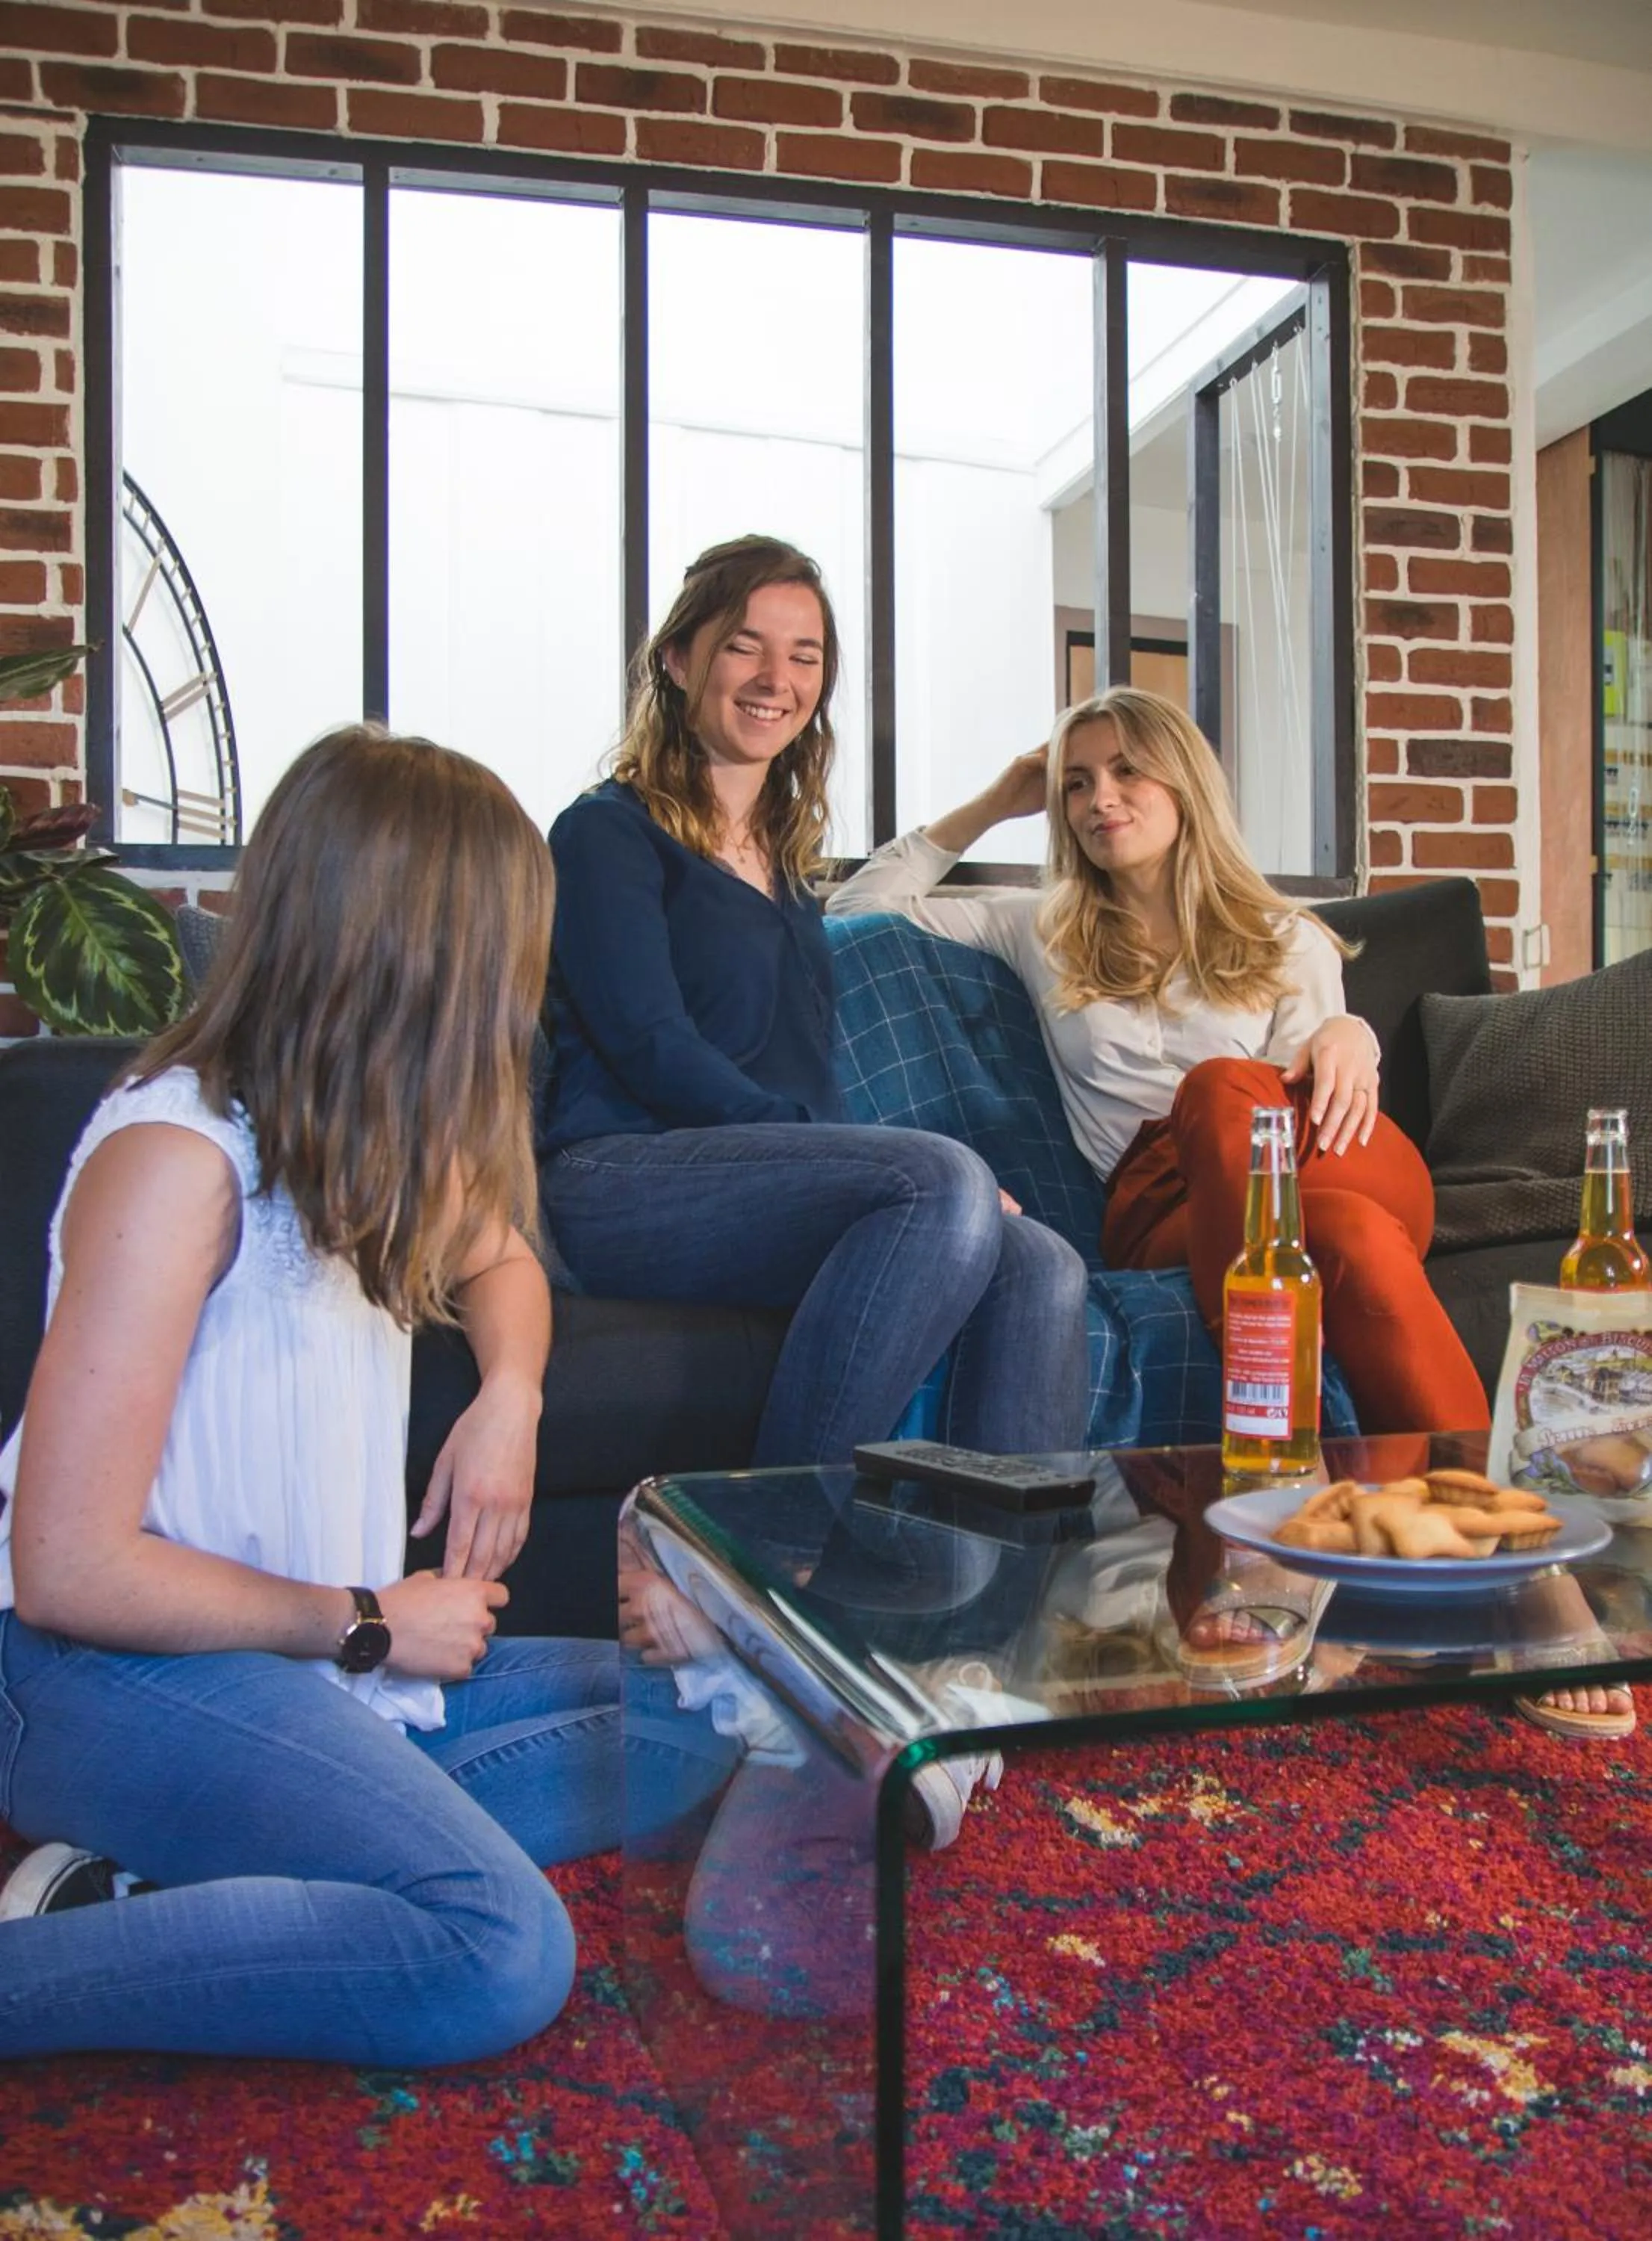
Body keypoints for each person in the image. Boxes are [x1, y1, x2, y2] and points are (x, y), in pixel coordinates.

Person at [830, 685, 1633, 1739]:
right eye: (1076, 783)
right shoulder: (1044, 928)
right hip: (1171, 1199)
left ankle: (1287, 1496)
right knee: (1279, 1168)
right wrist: (999, 798)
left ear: (1184, 783)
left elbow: (1327, 1092)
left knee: (1268, 1129)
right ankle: (1523, 1563)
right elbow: (852, 912)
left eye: (1124, 773)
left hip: (1331, 1158)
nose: (1096, 799)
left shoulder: (1285, 935)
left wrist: (1354, 1038)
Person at [0, 725, 629, 2064]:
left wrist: (508, 1395)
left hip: (318, 1668)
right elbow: (62, 1568)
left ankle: (192, 1873)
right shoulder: (178, 1161)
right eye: (507, 956)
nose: (521, 996)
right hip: (100, 1672)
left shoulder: (363, 1133)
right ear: (421, 959)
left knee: (699, 1699)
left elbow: (503, 1257)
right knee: (499, 1949)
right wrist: (363, 1626)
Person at [538, 533, 1092, 1469]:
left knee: (1044, 1261)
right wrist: (873, 1158)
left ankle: (997, 1590)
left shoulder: (788, 868)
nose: (775, 677)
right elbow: (650, 1044)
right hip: (625, 1177)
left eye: (805, 656)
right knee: (942, 1181)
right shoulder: (605, 834)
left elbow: (801, 1069)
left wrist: (865, 1161)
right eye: (744, 645)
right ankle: (771, 1548)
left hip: (757, 1180)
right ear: (678, 660)